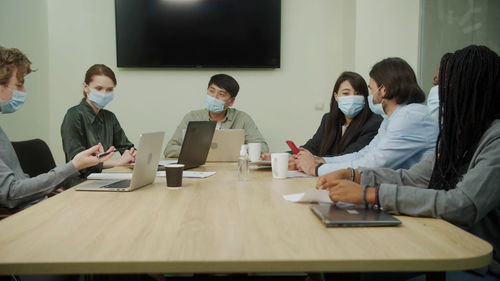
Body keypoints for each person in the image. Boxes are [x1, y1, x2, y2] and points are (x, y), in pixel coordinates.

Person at [317, 45, 500, 279]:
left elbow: (462, 205)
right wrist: (354, 176)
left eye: (443, 84)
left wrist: (370, 194)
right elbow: (414, 178)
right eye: (436, 84)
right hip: (442, 237)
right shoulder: (455, 136)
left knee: (366, 268)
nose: (436, 92)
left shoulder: (495, 139)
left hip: (476, 259)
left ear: (472, 89)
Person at [0, 46, 116, 209]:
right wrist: (73, 166)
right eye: (19, 85)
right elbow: (11, 194)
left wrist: (47, 190)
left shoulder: (108, 117)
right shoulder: (74, 115)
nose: (23, 91)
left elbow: (19, 186)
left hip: (39, 203)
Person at [297, 57, 438, 177]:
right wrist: (320, 161)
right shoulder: (393, 117)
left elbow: (373, 164)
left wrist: (316, 169)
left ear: (383, 90)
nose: (369, 96)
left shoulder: (410, 117)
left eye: (371, 89)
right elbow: (363, 154)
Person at [265, 72, 382, 167]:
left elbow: (350, 156)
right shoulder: (329, 119)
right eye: (346, 93)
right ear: (336, 97)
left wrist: (313, 161)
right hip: (321, 176)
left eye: (358, 94)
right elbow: (312, 147)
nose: (352, 98)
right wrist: (280, 156)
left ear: (365, 97)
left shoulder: (374, 123)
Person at [61, 64, 136, 187]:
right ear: (86, 87)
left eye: (109, 90)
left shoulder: (109, 117)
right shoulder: (73, 115)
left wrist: (134, 155)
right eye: (99, 88)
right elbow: (78, 162)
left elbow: (126, 147)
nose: (104, 94)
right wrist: (117, 163)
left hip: (101, 181)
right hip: (78, 184)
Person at [164, 74, 269, 157]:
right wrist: (201, 151)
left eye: (221, 94)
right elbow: (170, 149)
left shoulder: (242, 118)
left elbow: (263, 148)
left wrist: (237, 150)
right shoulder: (192, 117)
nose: (214, 97)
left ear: (231, 101)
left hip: (231, 173)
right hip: (199, 170)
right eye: (211, 91)